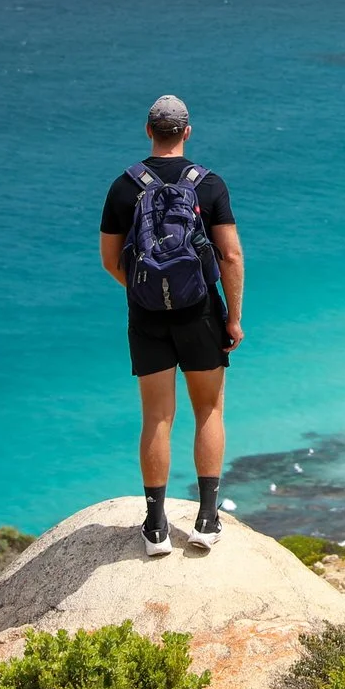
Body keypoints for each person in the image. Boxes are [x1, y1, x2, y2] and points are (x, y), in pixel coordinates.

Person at [99, 94, 245, 556]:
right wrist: (233, 317)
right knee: (209, 410)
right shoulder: (209, 185)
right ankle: (206, 519)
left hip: (146, 317)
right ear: (187, 131)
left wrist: (149, 293)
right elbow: (230, 255)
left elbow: (110, 261)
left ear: (148, 131)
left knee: (157, 417)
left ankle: (156, 526)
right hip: (200, 313)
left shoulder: (124, 187)